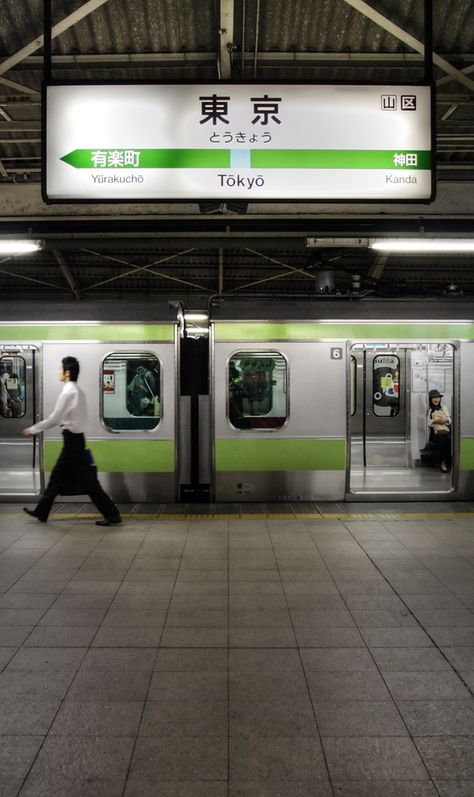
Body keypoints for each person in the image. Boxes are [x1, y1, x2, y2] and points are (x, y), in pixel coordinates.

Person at [22, 356, 122, 526]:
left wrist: (32, 430)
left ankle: (112, 514)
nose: (58, 372)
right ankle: (42, 512)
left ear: (67, 373)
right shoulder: (78, 392)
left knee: (87, 482)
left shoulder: (68, 393)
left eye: (60, 369)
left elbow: (54, 419)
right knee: (58, 478)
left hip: (72, 441)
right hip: (76, 439)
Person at [427, 388, 452, 473]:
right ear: (431, 399)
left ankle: (444, 462)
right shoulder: (430, 410)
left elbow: (449, 419)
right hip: (435, 433)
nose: (436, 399)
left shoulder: (444, 407)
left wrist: (446, 420)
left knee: (448, 440)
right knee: (442, 441)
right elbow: (428, 423)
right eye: (434, 397)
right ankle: (442, 463)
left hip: (445, 430)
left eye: (438, 397)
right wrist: (436, 421)